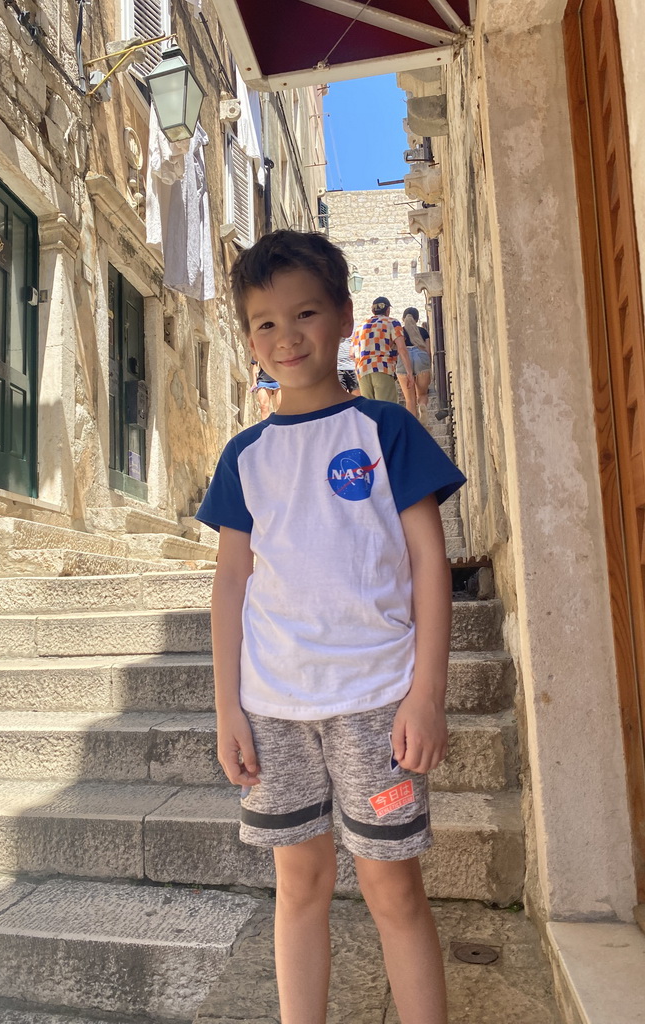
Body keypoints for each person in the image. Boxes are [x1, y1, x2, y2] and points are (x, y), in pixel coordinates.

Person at [195, 229, 465, 1024]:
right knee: (299, 886)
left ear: (344, 317)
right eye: (265, 323)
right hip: (275, 711)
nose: (287, 337)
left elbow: (428, 565)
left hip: (378, 704)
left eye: (305, 313)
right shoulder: (243, 458)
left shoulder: (386, 433)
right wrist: (227, 709)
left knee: (393, 888)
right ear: (248, 339)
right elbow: (231, 586)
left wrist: (428, 694)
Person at [350, 296, 414, 408]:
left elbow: (352, 354)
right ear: (388, 310)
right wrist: (409, 372)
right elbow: (402, 348)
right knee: (387, 410)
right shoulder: (392, 322)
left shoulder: (360, 327)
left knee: (370, 414)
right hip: (382, 368)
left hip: (363, 372)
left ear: (373, 310)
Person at [397, 307, 432, 425]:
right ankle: (422, 406)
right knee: (422, 394)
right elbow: (428, 351)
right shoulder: (423, 332)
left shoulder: (399, 331)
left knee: (410, 400)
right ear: (417, 319)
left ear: (403, 318)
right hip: (421, 356)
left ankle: (412, 425)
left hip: (404, 359)